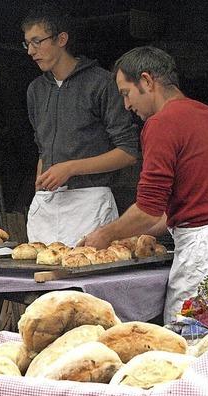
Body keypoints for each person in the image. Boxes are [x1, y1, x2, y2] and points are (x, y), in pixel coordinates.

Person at [81, 46, 208, 324]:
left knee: (192, 348)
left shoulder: (161, 123)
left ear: (147, 81)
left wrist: (105, 235)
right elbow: (186, 205)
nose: (126, 105)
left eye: (126, 93)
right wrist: (130, 235)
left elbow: (148, 209)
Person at [21, 4, 140, 247]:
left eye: (37, 41)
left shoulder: (101, 83)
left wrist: (70, 168)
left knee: (85, 279)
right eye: (27, 44)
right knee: (42, 278)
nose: (31, 51)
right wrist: (40, 188)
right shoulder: (35, 90)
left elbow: (128, 153)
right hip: (47, 202)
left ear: (61, 39)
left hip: (90, 200)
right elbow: (42, 147)